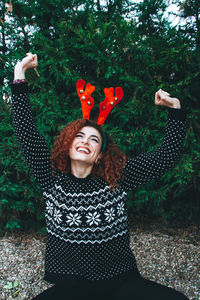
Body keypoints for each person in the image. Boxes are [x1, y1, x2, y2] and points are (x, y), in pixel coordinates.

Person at [11, 53, 189, 299]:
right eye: (79, 136)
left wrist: (176, 108)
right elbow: (26, 132)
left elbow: (166, 156)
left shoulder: (117, 178)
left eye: (94, 139)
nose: (85, 141)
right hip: (72, 286)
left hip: (119, 281)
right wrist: (19, 74)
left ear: (99, 155)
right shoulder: (50, 177)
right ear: (68, 145)